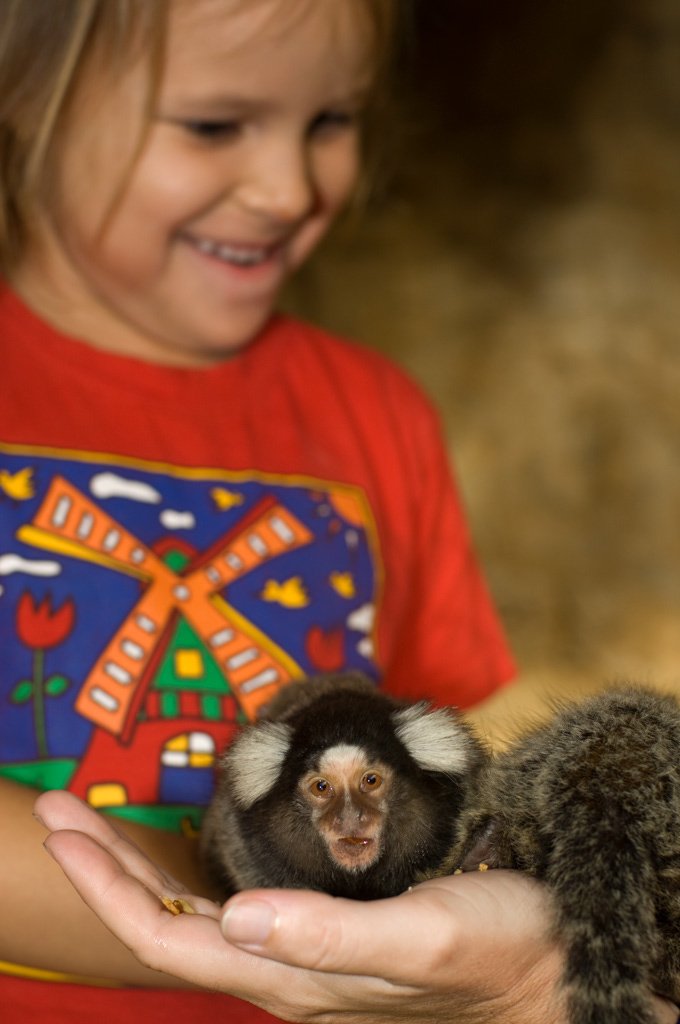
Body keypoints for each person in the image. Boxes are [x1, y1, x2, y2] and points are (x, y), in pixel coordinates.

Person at [4, 1, 672, 1022]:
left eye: (331, 120)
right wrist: (251, 931)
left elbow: (435, 772)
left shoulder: (379, 416)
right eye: (212, 124)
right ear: (20, 99)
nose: (287, 188)